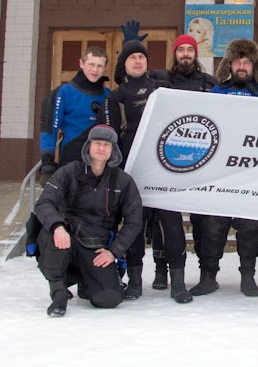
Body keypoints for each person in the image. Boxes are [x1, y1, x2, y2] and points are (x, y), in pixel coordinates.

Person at [100, 40, 193, 304]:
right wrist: (114, 173)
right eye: (132, 58)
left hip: (165, 170)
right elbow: (109, 139)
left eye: (142, 57)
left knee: (172, 226)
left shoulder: (161, 91)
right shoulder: (114, 98)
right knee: (134, 226)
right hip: (131, 174)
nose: (138, 61)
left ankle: (178, 282)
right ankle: (136, 281)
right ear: (125, 64)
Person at [34, 125, 142, 317]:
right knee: (52, 237)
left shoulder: (123, 181)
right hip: (68, 236)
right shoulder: (69, 172)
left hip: (97, 245)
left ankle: (87, 282)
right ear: (88, 147)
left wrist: (114, 251)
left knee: (109, 298)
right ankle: (58, 292)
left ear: (113, 150)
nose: (101, 148)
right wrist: (57, 226)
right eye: (97, 143)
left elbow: (134, 221)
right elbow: (44, 203)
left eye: (106, 145)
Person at [193, 38, 258, 297]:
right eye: (236, 61)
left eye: (246, 62)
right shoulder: (218, 91)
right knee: (214, 225)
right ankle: (208, 276)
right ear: (230, 64)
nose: (241, 66)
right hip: (221, 172)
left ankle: (248, 276)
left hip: (250, 172)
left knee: (249, 226)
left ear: (254, 65)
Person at [147, 34, 218, 291]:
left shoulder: (210, 83)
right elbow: (128, 80)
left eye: (190, 50)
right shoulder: (160, 80)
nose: (186, 54)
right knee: (163, 218)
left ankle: (205, 272)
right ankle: (160, 269)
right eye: (181, 50)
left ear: (196, 54)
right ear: (175, 54)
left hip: (201, 160)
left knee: (201, 220)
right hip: (166, 159)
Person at [39, 46, 109, 184]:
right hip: (72, 160)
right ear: (81, 64)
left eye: (100, 66)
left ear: (105, 68)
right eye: (91, 64)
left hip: (101, 164)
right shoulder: (64, 92)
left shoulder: (107, 95)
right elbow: (49, 128)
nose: (95, 70)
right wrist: (47, 164)